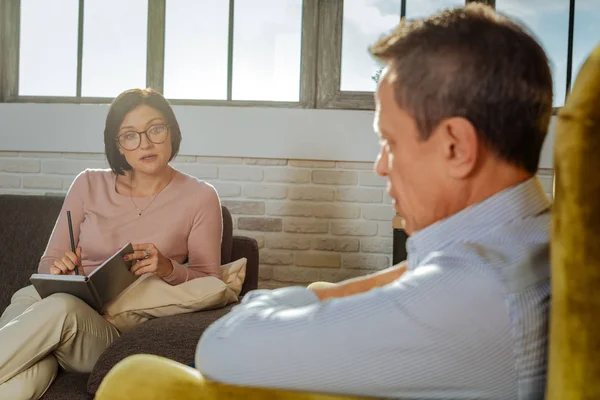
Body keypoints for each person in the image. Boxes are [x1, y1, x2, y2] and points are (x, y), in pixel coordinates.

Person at [195, 4, 553, 399]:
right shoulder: (542, 237)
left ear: (456, 147)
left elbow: (222, 346)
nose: (381, 165)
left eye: (390, 142)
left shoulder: (468, 291)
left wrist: (325, 294)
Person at [0, 88, 223, 400]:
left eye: (155, 129)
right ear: (118, 145)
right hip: (56, 310)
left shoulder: (200, 197)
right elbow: (47, 263)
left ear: (172, 131)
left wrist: (168, 268)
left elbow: (212, 284)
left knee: (60, 309)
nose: (145, 143)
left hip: (105, 331)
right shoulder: (88, 183)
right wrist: (60, 271)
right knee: (28, 354)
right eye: (130, 135)